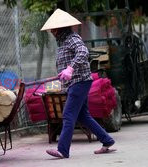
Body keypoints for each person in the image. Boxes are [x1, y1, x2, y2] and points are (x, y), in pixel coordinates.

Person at [40, 9, 116, 158]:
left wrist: (70, 68)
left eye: (52, 29)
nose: (51, 32)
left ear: (59, 28)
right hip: (74, 82)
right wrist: (64, 71)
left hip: (79, 81)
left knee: (68, 115)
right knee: (83, 116)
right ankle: (107, 140)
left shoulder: (72, 38)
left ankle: (63, 150)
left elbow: (83, 52)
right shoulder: (63, 43)